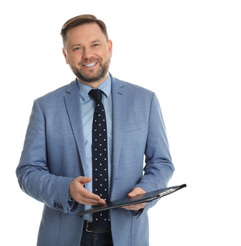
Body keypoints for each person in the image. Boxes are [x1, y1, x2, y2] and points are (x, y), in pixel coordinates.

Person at [16, 14, 174, 246]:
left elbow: (161, 162)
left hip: (128, 234)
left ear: (109, 47)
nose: (88, 55)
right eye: (77, 48)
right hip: (64, 236)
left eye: (95, 45)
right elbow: (28, 172)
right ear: (66, 56)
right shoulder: (46, 107)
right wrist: (66, 189)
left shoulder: (144, 100)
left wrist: (145, 192)